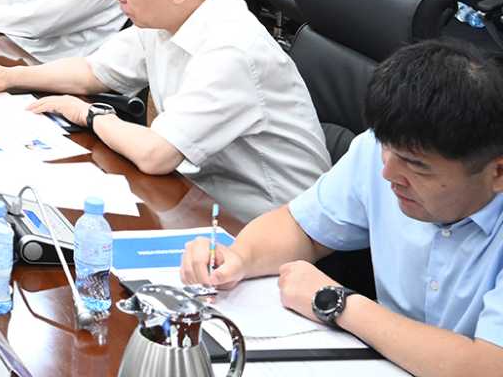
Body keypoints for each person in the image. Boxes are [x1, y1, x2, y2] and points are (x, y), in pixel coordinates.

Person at [0, 0, 327, 222]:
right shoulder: (169, 15)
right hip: (198, 192)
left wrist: (90, 114)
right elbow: (93, 72)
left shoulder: (231, 48)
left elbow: (156, 154)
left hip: (268, 221)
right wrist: (10, 76)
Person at [180, 42, 503, 375]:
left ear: (497, 173)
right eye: (386, 149)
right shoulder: (382, 151)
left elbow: (488, 366)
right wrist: (239, 258)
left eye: (416, 165)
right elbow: (301, 227)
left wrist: (335, 303)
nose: (388, 173)